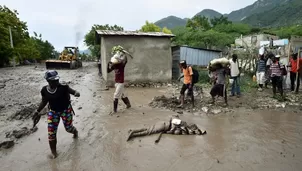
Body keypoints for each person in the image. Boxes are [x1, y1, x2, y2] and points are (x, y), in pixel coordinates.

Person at [32, 70, 80, 159]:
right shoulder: (44, 90)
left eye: (57, 80)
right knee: (51, 133)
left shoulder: (63, 87)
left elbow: (73, 92)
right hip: (53, 112)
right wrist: (37, 111)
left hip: (66, 110)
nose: (56, 82)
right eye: (54, 80)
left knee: (68, 128)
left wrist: (76, 93)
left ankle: (75, 132)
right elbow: (44, 101)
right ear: (48, 81)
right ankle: (54, 153)